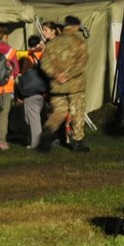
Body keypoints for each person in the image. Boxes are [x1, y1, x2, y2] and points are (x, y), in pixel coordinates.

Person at [40, 16, 90, 152]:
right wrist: (68, 75)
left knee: (58, 112)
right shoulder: (79, 43)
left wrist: (56, 75)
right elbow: (81, 64)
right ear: (75, 27)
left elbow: (44, 63)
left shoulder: (52, 43)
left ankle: (48, 132)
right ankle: (77, 142)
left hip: (57, 86)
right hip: (75, 86)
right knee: (77, 113)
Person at [15, 33, 48, 149]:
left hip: (31, 92)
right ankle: (36, 140)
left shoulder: (29, 58)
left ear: (29, 46)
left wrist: (19, 95)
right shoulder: (45, 54)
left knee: (32, 119)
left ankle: (36, 144)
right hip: (43, 90)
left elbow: (23, 77)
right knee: (36, 117)